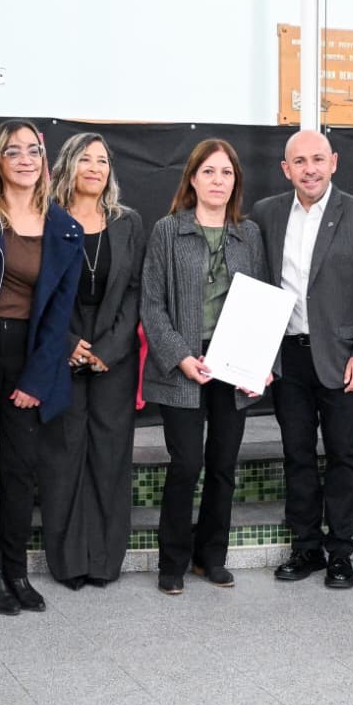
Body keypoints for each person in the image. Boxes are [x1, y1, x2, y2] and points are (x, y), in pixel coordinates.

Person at [0, 120, 82, 616]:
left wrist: (38, 377)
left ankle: (17, 569)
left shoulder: (64, 226)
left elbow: (60, 313)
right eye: (12, 152)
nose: (25, 159)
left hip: (30, 353)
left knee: (21, 467)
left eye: (32, 151)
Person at [250, 130, 353, 589]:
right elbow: (256, 286)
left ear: (333, 162)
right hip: (288, 358)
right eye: (299, 161)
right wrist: (256, 354)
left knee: (344, 456)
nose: (309, 169)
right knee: (297, 455)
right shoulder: (266, 213)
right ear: (285, 169)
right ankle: (306, 547)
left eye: (317, 159)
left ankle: (340, 553)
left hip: (343, 359)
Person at [141, 139, 269, 595]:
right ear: (192, 178)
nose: (218, 180)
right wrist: (180, 356)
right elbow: (151, 304)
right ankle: (172, 562)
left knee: (222, 464)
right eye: (209, 172)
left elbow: (263, 302)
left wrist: (261, 362)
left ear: (236, 182)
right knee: (186, 464)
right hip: (185, 360)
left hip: (234, 362)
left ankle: (211, 557)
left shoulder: (249, 234)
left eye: (226, 173)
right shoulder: (167, 231)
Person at [41, 133, 146, 589]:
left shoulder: (128, 222)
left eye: (103, 161)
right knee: (63, 457)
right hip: (59, 348)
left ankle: (104, 561)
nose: (95, 168)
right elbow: (35, 289)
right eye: (86, 159)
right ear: (68, 164)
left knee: (109, 457)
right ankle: (68, 562)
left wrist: (109, 348)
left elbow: (136, 290)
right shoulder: (46, 218)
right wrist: (65, 342)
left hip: (112, 353)